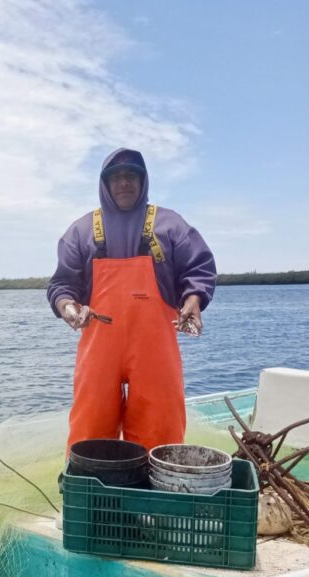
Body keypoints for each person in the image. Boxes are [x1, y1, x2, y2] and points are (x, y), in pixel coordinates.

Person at [47, 147, 216, 453]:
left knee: (161, 429)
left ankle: (157, 478)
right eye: (116, 177)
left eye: (131, 176)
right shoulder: (81, 231)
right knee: (90, 429)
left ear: (143, 180)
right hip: (99, 347)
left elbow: (199, 268)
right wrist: (67, 306)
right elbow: (62, 283)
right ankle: (92, 477)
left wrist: (194, 298)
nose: (124, 183)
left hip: (155, 348)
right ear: (105, 183)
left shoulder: (171, 225)